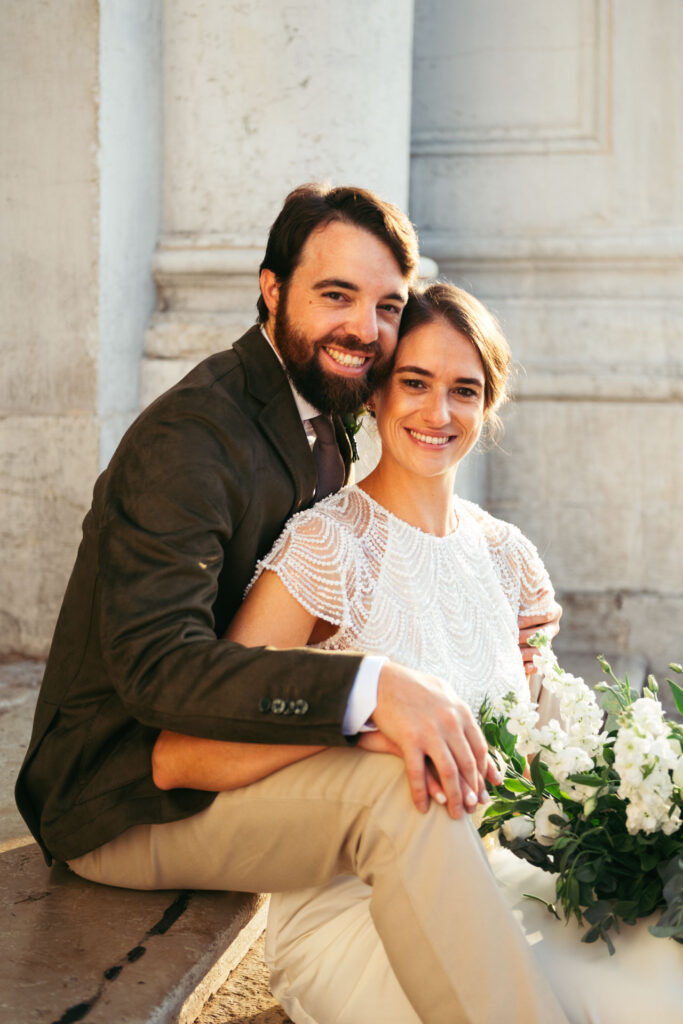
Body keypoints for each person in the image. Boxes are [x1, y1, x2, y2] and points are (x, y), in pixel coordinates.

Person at [16, 185, 565, 1024]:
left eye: (385, 305)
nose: (365, 329)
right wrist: (366, 689)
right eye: (334, 295)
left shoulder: (316, 417)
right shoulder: (193, 438)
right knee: (398, 793)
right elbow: (158, 671)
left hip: (230, 760)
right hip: (124, 791)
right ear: (270, 289)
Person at [145, 282, 683, 1024]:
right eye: (414, 383)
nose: (438, 413)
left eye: (464, 390)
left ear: (487, 407)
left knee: (661, 977)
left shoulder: (506, 557)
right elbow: (194, 742)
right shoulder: (324, 547)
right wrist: (353, 722)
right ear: (372, 396)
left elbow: (540, 729)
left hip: (515, 875)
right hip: (358, 900)